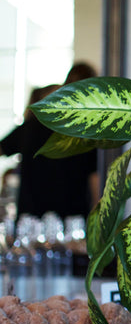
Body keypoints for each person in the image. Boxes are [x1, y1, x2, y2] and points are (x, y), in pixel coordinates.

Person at [0, 62, 100, 220]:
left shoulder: (34, 124)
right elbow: (94, 178)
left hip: (30, 219)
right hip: (72, 223)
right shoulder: (88, 131)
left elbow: (2, 148)